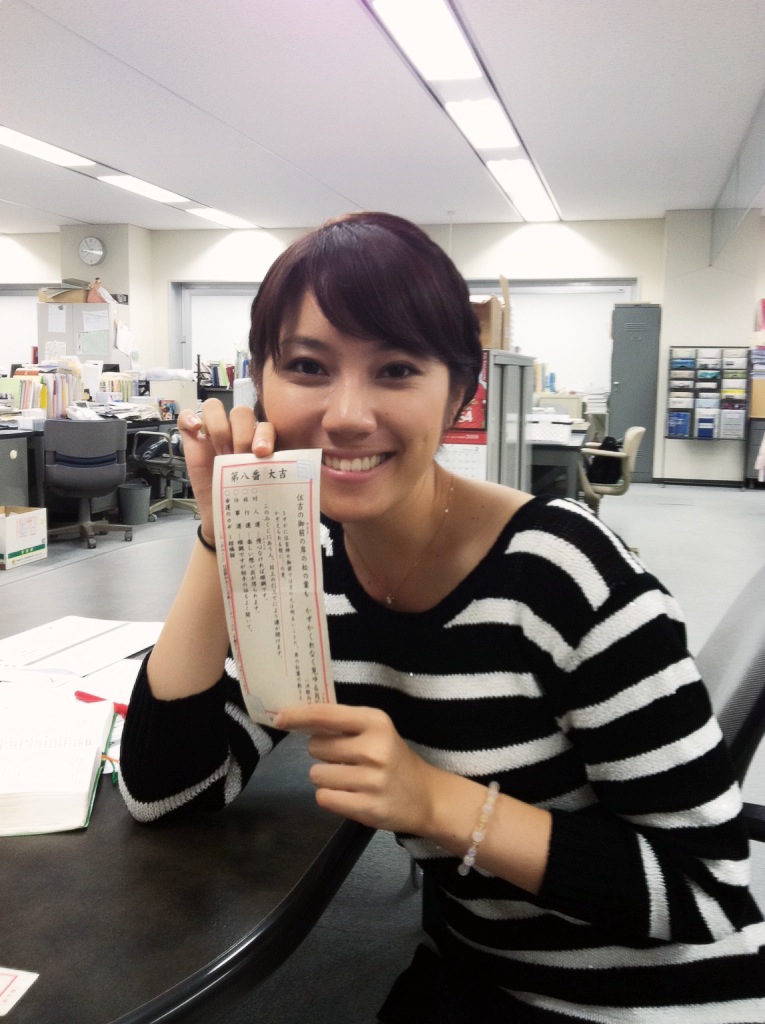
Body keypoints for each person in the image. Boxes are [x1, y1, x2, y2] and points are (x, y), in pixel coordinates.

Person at [120, 212, 765, 1022]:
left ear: (460, 392)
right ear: (260, 384)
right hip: (472, 972)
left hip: (636, 1003)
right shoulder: (302, 560)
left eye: (395, 369)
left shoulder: (562, 575)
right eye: (308, 366)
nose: (347, 414)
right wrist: (222, 533)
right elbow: (170, 793)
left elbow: (706, 888)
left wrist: (436, 803)